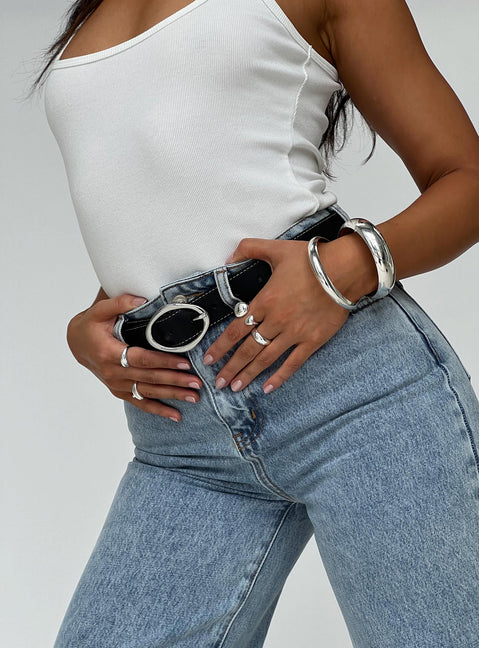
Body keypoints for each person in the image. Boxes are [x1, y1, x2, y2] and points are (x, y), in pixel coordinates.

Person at [31, 0, 479, 646]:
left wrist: (343, 266)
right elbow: (161, 194)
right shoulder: (95, 9)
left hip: (352, 398)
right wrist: (94, 325)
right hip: (182, 435)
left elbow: (466, 178)